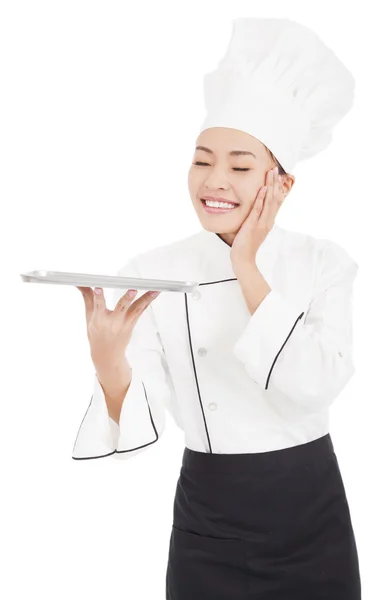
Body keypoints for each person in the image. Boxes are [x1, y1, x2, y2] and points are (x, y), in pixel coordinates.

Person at [74, 17, 362, 600]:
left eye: (240, 164)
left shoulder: (324, 263)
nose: (215, 180)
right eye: (203, 159)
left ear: (280, 184)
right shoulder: (152, 272)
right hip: (209, 518)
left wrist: (248, 268)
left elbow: (314, 385)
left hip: (310, 511)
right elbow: (140, 411)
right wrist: (107, 358)